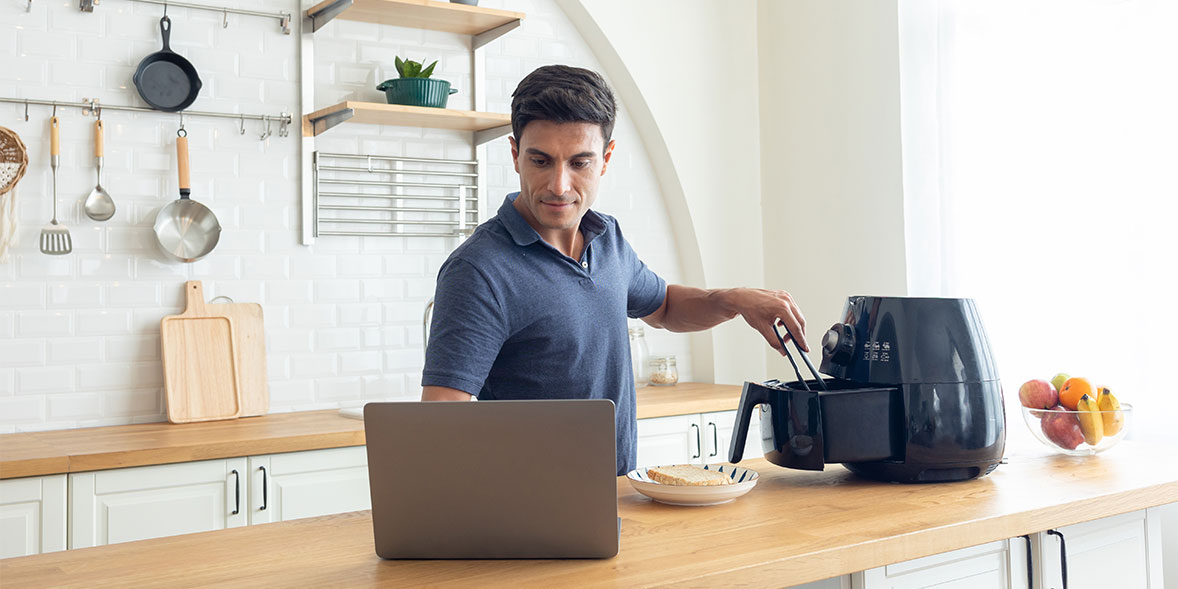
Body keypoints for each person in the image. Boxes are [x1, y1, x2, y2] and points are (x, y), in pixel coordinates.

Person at [422, 65, 808, 475]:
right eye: (541, 160)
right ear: (515, 154)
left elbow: (663, 307)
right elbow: (442, 421)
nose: (559, 185)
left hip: (617, 490)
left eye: (579, 163)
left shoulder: (607, 237)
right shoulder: (478, 271)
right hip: (530, 512)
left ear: (605, 159)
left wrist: (734, 299)